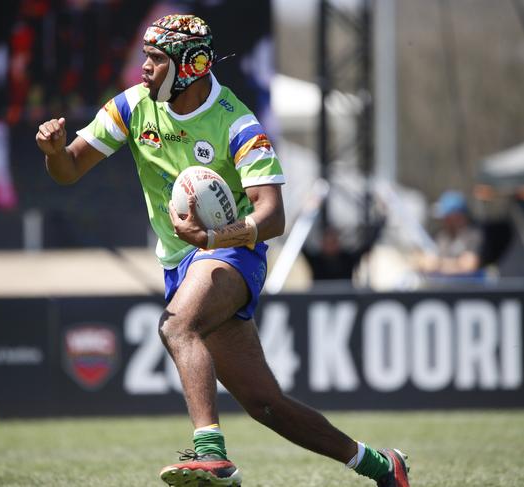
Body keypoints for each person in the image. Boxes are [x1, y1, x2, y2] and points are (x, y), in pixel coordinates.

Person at [36, 14, 410, 487]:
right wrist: (54, 152)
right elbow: (69, 170)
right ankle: (383, 466)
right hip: (181, 262)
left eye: (155, 59)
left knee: (177, 325)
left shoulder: (238, 123)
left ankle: (211, 454)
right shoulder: (131, 106)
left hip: (235, 254)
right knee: (265, 404)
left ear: (189, 66)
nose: (143, 68)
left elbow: (272, 216)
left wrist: (213, 238)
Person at [417, 190, 484, 278]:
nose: (444, 221)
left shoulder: (474, 236)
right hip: (441, 287)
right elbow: (420, 260)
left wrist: (438, 264)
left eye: (447, 217)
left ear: (458, 216)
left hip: (468, 287)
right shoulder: (440, 235)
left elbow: (469, 265)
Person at [302, 220, 384, 283]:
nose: (330, 246)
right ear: (322, 244)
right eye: (327, 242)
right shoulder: (315, 261)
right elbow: (299, 242)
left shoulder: (347, 259)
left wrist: (381, 217)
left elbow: (367, 244)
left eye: (333, 241)